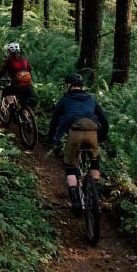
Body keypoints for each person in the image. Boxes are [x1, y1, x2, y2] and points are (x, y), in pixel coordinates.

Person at [46, 73, 109, 214]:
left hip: (75, 134)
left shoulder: (64, 100)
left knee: (70, 167)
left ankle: (75, 202)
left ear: (69, 85)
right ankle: (94, 195)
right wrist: (102, 137)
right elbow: (104, 120)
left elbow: (55, 121)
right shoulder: (91, 99)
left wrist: (51, 138)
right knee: (95, 161)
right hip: (93, 133)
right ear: (82, 87)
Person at [0, 42, 35, 110]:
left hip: (17, 85)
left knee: (5, 92)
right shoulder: (24, 59)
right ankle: (26, 117)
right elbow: (30, 69)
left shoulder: (9, 60)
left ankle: (12, 107)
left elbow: (2, 71)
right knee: (24, 104)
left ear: (10, 51)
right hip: (29, 86)